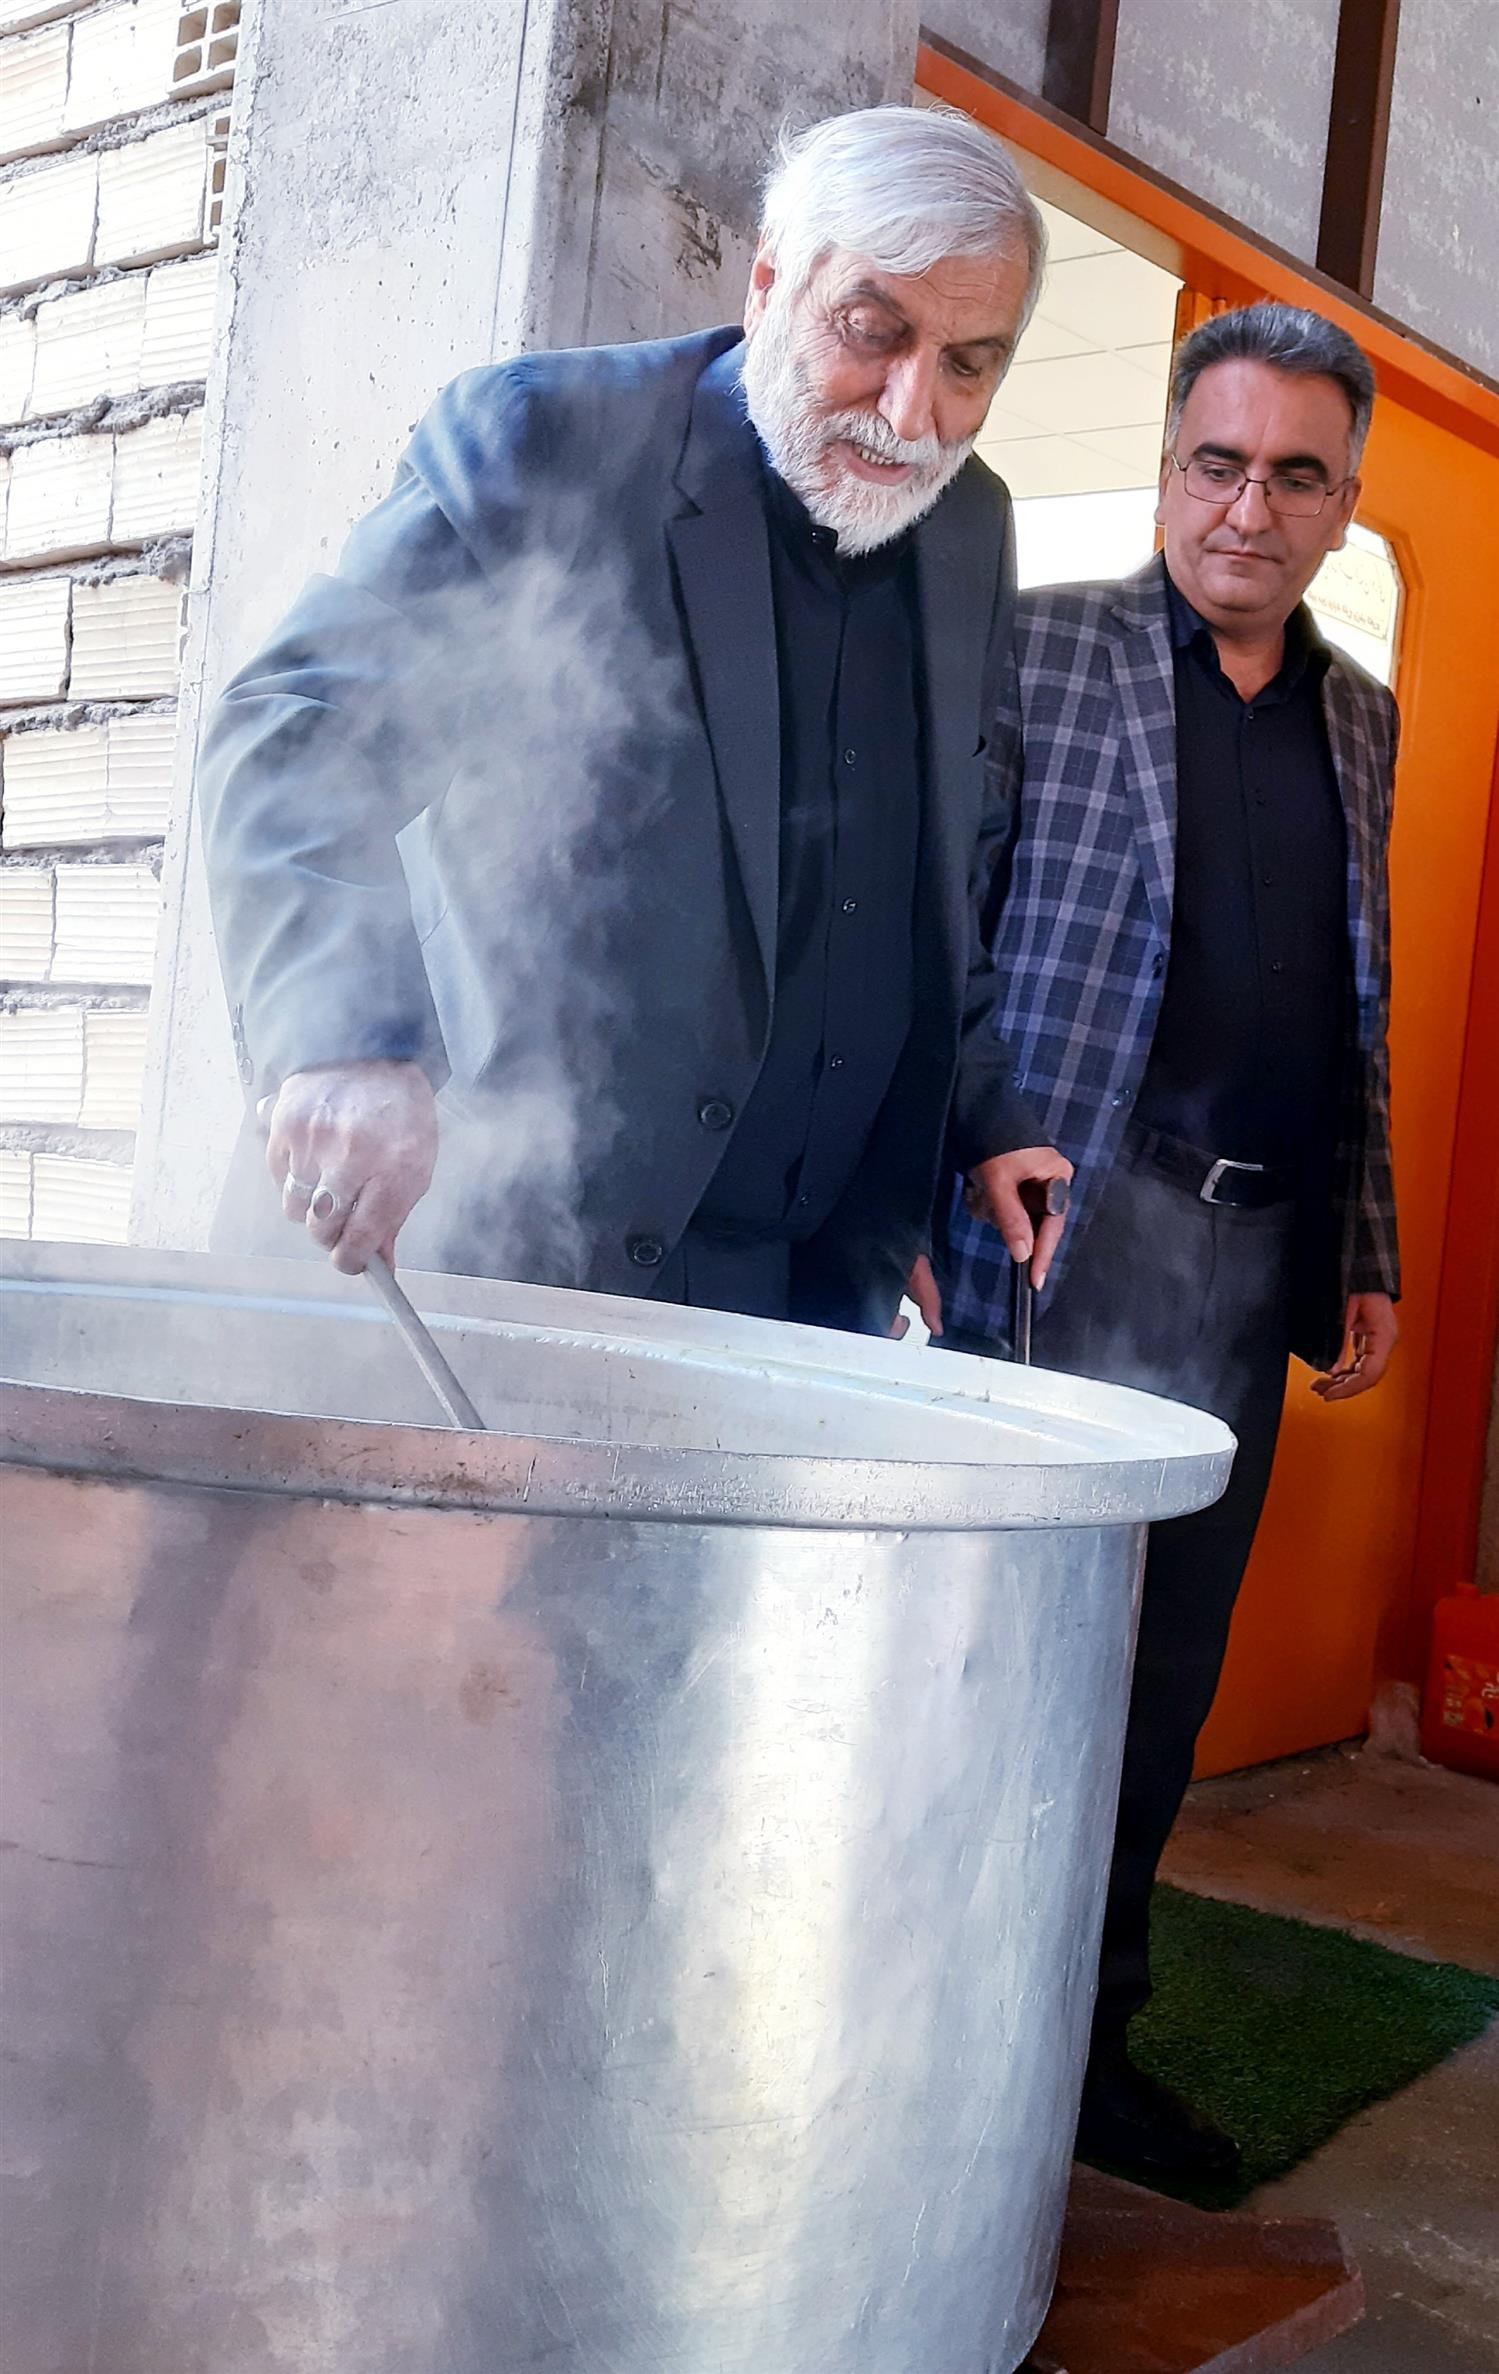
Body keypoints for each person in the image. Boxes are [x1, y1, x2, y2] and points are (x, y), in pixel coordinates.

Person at [199, 105, 1072, 1332]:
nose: (909, 410)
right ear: (768, 283)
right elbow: (297, 731)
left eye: (968, 364)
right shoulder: (549, 441)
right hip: (502, 1252)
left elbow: (933, 869)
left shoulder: (970, 525)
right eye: (871, 331)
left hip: (801, 1291)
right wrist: (345, 1038)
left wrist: (979, 1111)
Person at [924, 302, 1401, 2181]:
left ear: (1340, 504)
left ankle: (1082, 2056)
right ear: (1163, 467)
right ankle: (935, 2043)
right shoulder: (1034, 648)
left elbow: (1351, 1004)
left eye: (1292, 476)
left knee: (1157, 1690)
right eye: (1215, 462)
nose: (1245, 508)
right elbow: (944, 933)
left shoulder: (1357, 717)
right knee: (1002, 1669)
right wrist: (948, 1152)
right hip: (1064, 1236)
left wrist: (1359, 1238)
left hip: (1246, 1253)